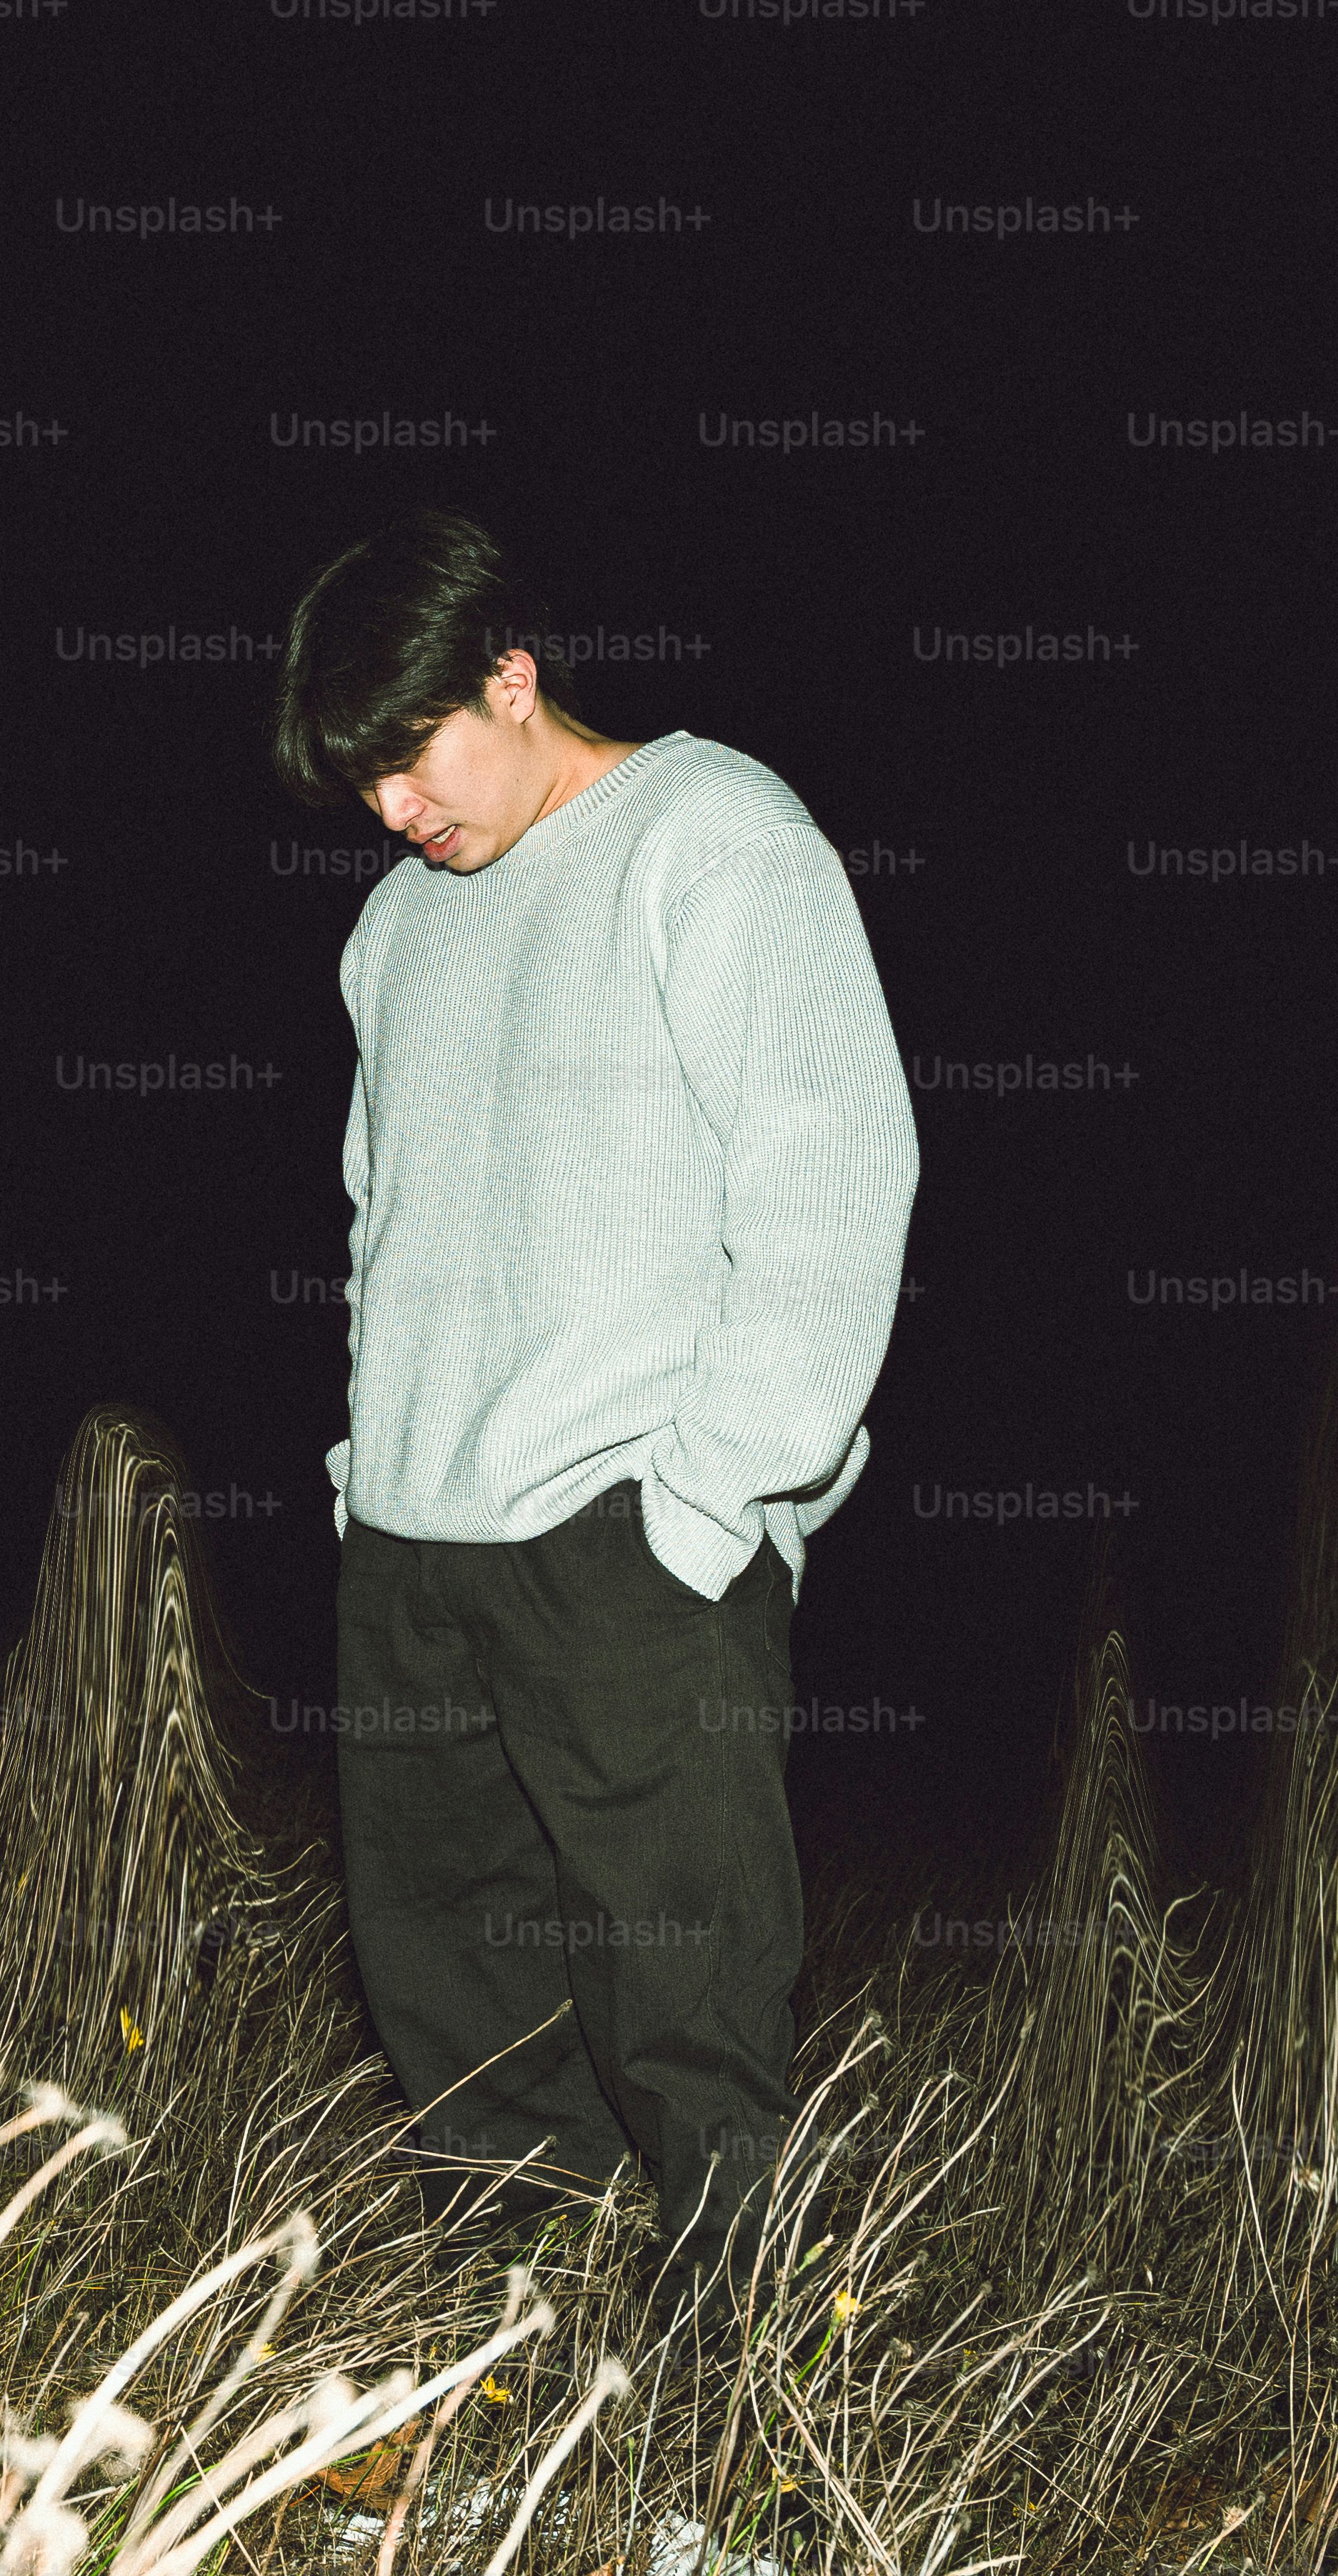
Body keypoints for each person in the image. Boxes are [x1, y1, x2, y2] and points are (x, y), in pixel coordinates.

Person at [271, 508, 919, 2287]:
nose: (397, 807)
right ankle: (534, 2436)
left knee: (689, 2025)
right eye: (363, 781)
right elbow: (384, 1216)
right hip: (413, 1552)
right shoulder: (395, 932)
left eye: (413, 752)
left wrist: (711, 1502)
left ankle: (729, 2485)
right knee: (457, 2030)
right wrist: (365, 1469)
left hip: (631, 1545)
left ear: (513, 671)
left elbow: (835, 1174)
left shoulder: (715, 837)